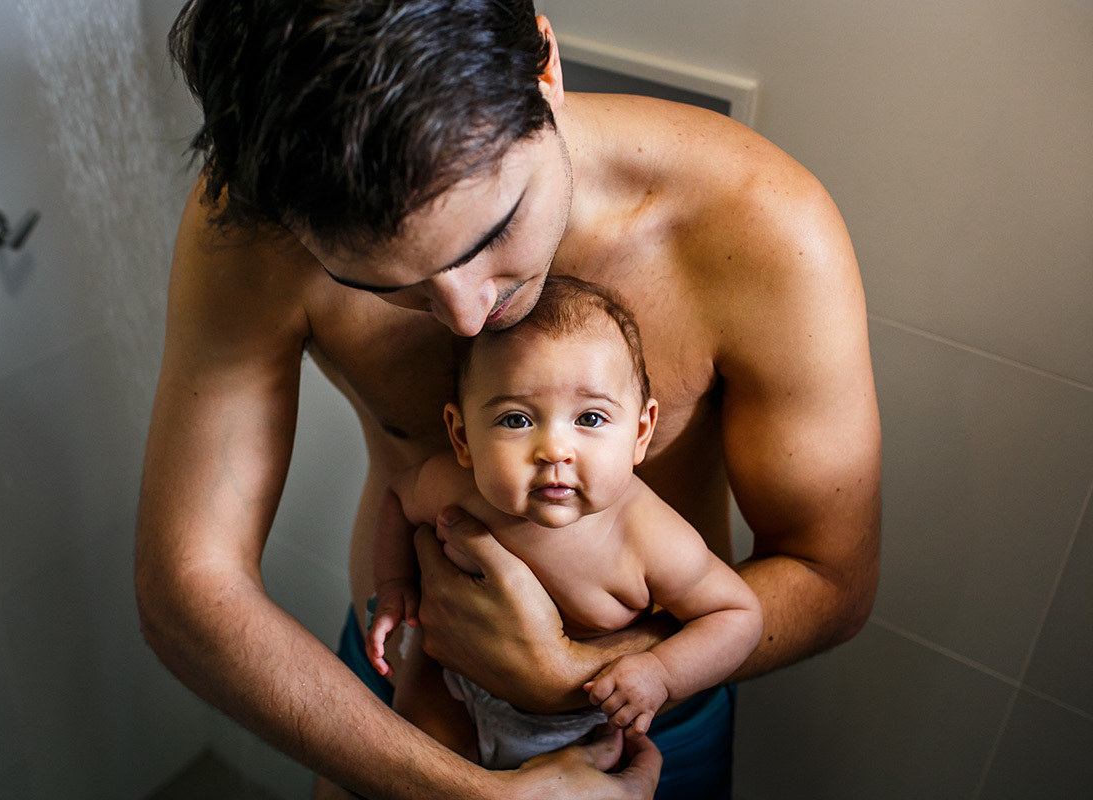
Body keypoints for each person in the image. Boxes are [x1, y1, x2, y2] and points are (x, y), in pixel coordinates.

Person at [134, 2, 881, 799]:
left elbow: (830, 576)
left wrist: (576, 671)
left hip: (638, 722)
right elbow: (188, 591)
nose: (464, 316)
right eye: (384, 283)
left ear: (545, 70)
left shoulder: (759, 223)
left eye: (491, 232)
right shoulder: (258, 222)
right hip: (402, 698)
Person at [365, 276, 763, 772]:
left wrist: (661, 671)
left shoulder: (648, 536)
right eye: (516, 420)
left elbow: (737, 615)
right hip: (451, 681)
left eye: (591, 419)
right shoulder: (453, 486)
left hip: (577, 726)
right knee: (417, 763)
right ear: (462, 435)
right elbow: (399, 498)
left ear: (640, 432)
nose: (554, 450)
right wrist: (395, 583)